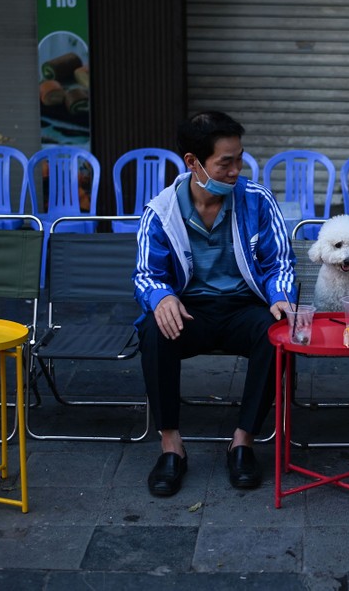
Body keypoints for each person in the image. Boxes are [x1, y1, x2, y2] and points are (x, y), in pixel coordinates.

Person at [134, 111, 297, 497]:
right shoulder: (161, 211)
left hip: (244, 308)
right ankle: (171, 445)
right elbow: (146, 274)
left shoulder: (256, 200)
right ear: (193, 162)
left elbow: (280, 263)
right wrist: (162, 297)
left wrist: (281, 299)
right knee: (154, 329)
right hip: (191, 310)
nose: (236, 169)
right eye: (226, 162)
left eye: (240, 159)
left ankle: (243, 441)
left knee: (276, 332)